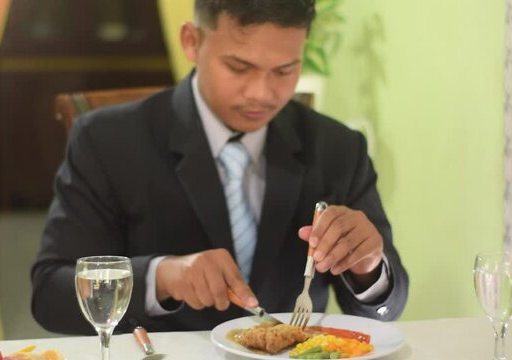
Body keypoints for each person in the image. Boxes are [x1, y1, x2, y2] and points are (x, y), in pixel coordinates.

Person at [31, 0, 408, 334]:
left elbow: (382, 310)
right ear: (192, 41)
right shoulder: (106, 140)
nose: (262, 93)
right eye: (239, 67)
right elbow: (52, 294)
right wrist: (162, 277)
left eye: (284, 70)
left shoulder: (338, 147)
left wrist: (369, 266)